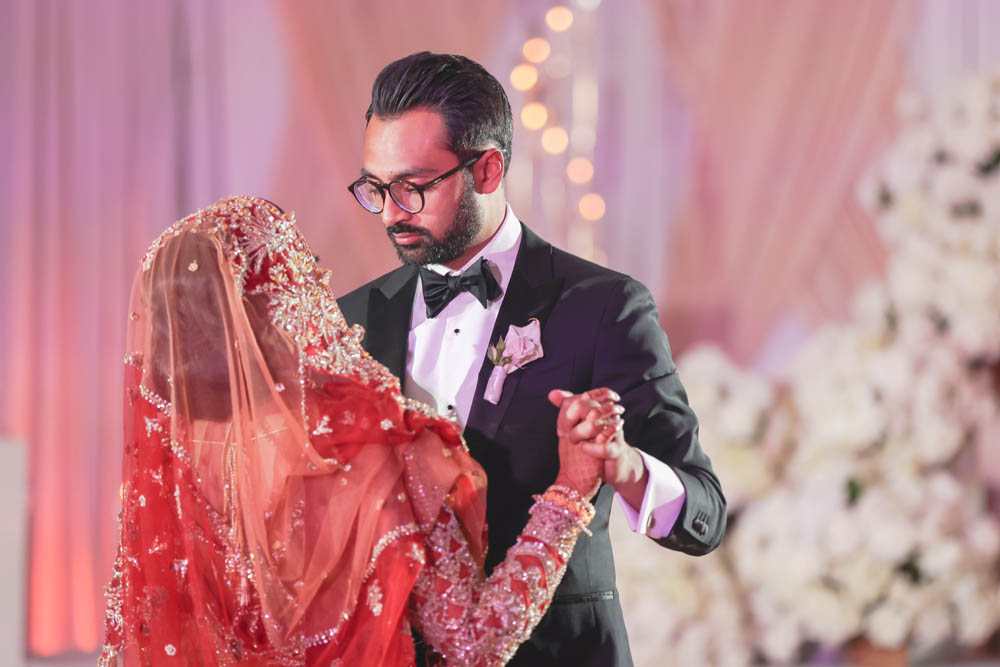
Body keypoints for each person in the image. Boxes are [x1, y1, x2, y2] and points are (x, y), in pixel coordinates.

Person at [99, 195, 619, 666]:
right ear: (285, 300)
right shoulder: (383, 442)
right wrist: (571, 490)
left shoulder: (174, 461)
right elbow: (473, 642)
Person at [338, 52, 727, 666]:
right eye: (375, 188)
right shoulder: (349, 320)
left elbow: (705, 513)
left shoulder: (603, 306)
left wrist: (623, 467)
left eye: (413, 188)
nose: (390, 213)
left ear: (488, 169)